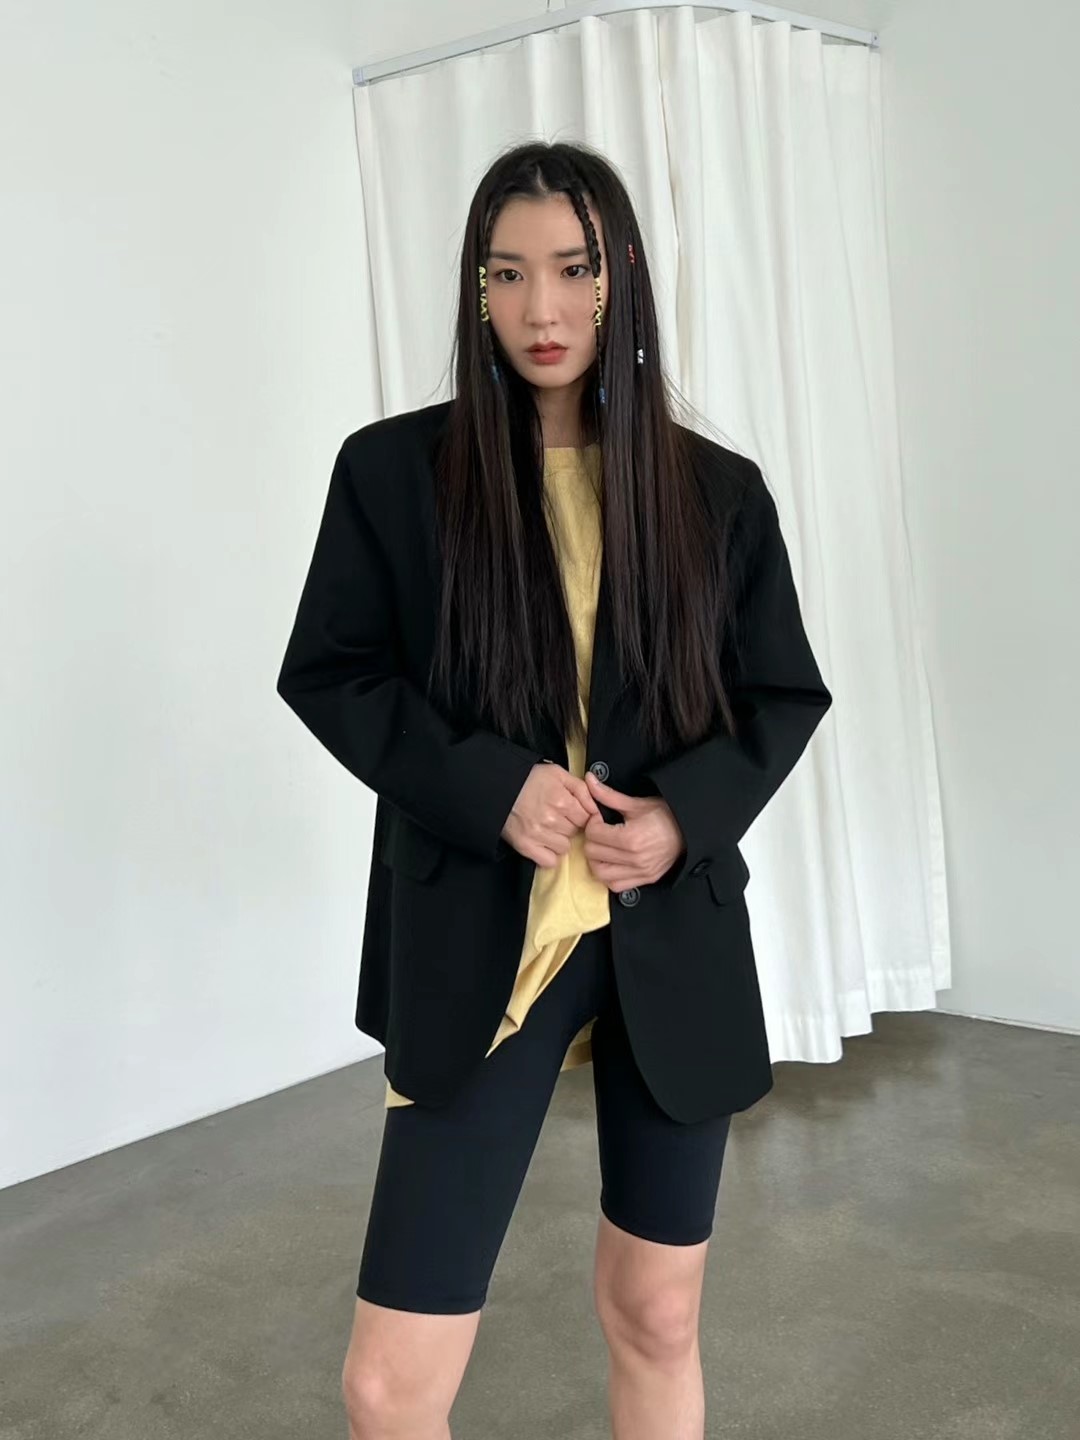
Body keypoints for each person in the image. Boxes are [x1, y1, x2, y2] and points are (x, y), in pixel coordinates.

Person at [276, 140, 832, 1440]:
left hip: (667, 937)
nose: (542, 307)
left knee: (658, 1315)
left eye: (573, 269)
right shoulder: (391, 476)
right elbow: (331, 671)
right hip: (486, 937)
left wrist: (684, 817)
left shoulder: (717, 493)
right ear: (476, 289)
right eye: (508, 273)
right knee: (387, 1386)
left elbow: (781, 694)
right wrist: (490, 789)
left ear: (620, 275)